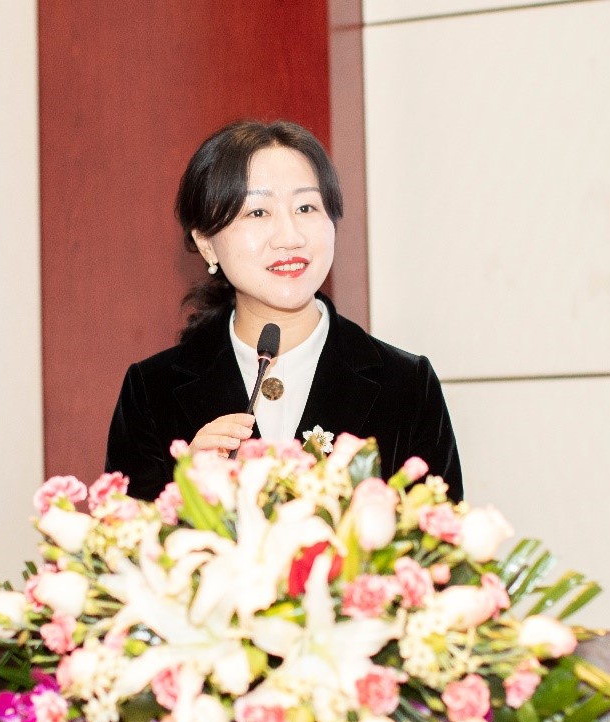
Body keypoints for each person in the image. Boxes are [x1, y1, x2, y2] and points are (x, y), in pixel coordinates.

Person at [104, 120, 462, 502]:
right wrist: (185, 496)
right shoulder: (151, 392)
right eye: (258, 213)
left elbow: (438, 534)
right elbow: (120, 535)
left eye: (306, 207)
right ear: (206, 243)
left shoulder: (405, 386)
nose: (290, 238)